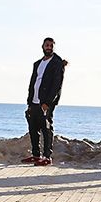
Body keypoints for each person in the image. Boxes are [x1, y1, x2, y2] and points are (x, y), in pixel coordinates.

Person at [22, 37, 68, 166]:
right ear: (42, 46)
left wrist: (48, 103)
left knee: (46, 129)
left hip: (46, 102)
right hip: (34, 101)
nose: (49, 47)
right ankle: (36, 155)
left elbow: (57, 85)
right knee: (33, 128)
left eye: (51, 45)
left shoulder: (57, 63)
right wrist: (29, 101)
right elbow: (32, 83)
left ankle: (47, 157)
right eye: (47, 45)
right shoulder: (37, 63)